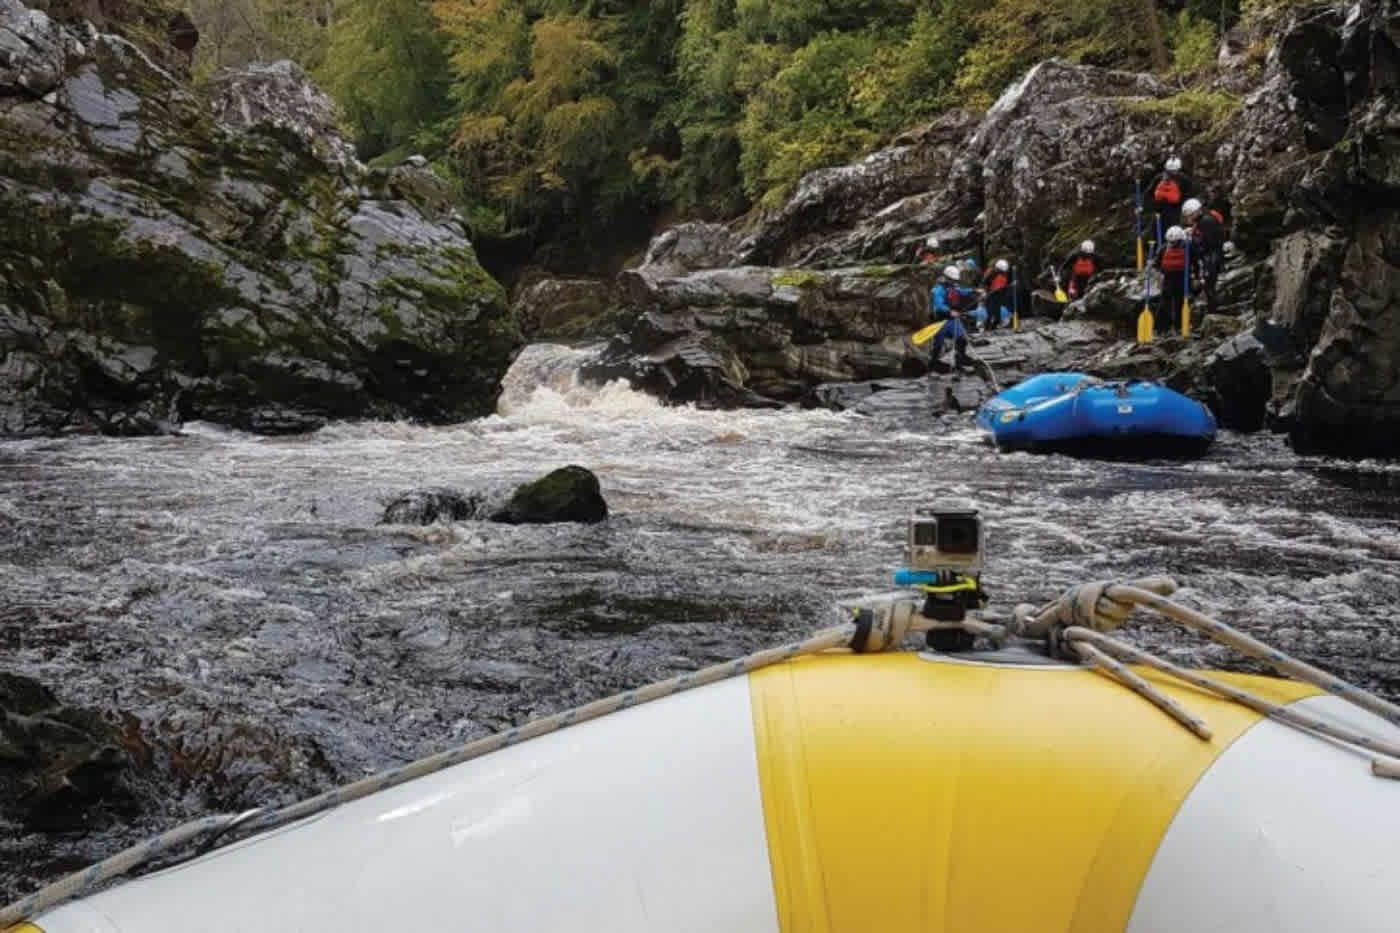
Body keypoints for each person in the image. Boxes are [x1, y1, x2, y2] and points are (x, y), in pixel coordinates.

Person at [1183, 198, 1227, 315]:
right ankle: (1212, 310)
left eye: (1189, 216)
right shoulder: (1205, 219)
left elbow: (1207, 242)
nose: (1188, 219)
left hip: (1212, 257)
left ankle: (1213, 312)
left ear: (1195, 212)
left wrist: (1193, 238)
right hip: (1212, 255)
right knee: (1209, 286)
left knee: (1209, 286)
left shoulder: (1205, 222)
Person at [929, 264, 977, 368]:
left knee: (962, 339)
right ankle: (933, 362)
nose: (954, 282)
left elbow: (961, 291)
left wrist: (974, 291)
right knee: (938, 344)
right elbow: (939, 304)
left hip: (952, 320)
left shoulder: (952, 287)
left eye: (955, 280)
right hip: (941, 321)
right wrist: (949, 311)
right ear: (946, 278)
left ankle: (961, 357)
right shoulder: (938, 290)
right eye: (952, 280)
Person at [1154, 225, 1189, 335]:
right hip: (1181, 278)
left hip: (1168, 278)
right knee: (1178, 303)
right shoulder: (1187, 247)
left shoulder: (1163, 248)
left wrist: (1159, 276)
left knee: (1165, 303)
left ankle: (1161, 328)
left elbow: (1157, 264)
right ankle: (1178, 327)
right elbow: (1194, 262)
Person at [1149, 155, 1194, 229]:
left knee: (1158, 229)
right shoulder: (1184, 178)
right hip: (1176, 210)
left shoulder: (1159, 177)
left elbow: (1150, 192)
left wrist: (1153, 205)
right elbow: (1191, 193)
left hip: (1160, 210)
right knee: (1175, 228)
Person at [982, 258, 1013, 331]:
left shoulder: (1003, 275)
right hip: (990, 296)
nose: (1003, 273)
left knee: (997, 316)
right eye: (1001, 271)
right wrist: (986, 291)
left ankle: (993, 328)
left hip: (998, 295)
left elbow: (1003, 285)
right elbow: (984, 283)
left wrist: (1008, 286)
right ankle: (987, 329)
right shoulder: (990, 274)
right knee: (990, 314)